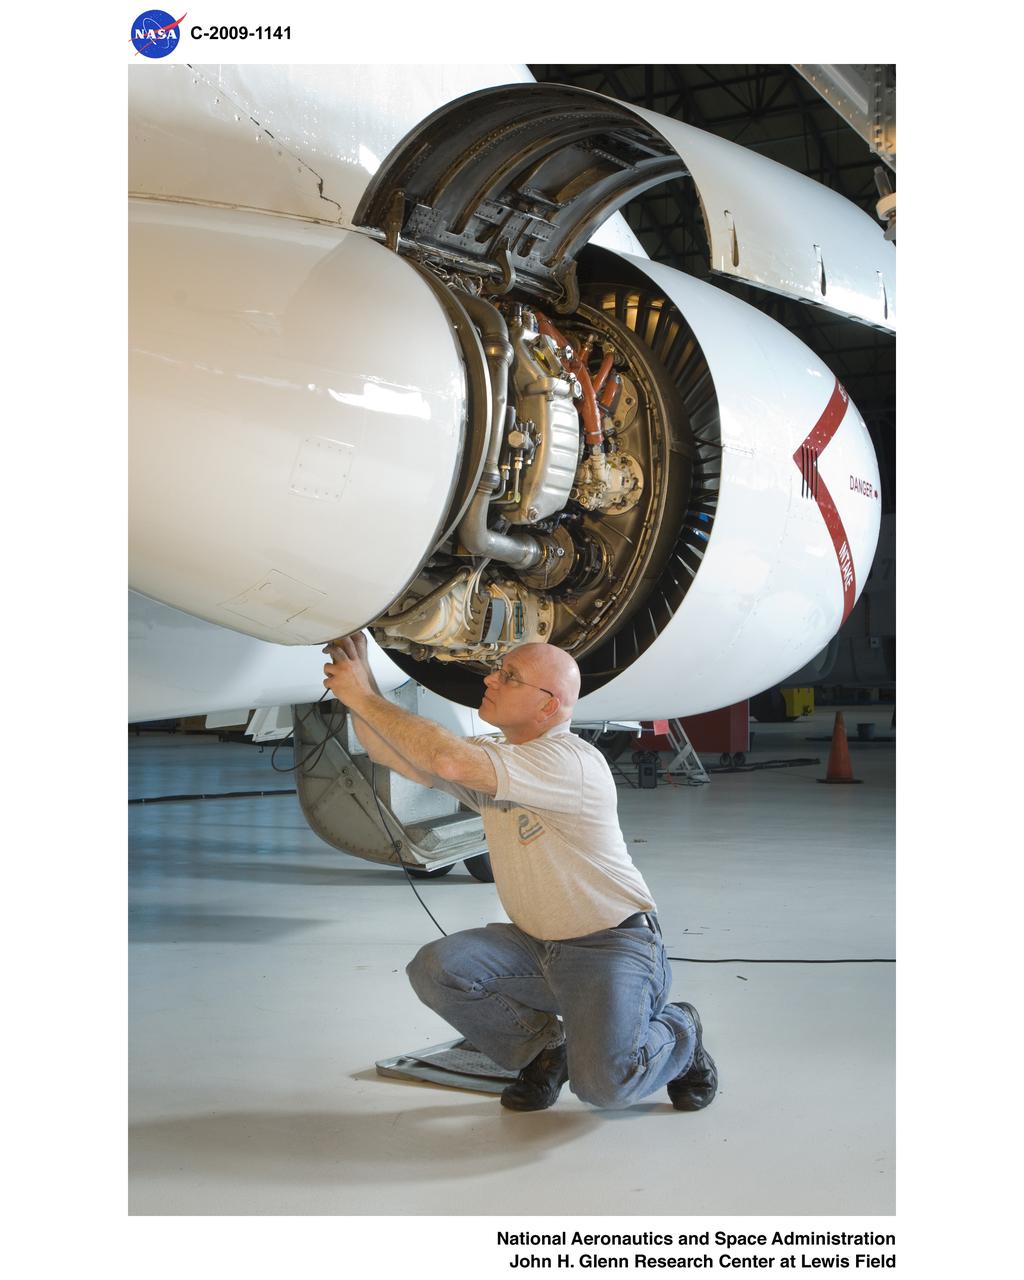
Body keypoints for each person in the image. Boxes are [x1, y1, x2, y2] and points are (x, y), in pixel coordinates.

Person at [322, 633, 717, 1113]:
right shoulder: (504, 758)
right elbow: (394, 753)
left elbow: (445, 757)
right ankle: (544, 1053)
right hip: (536, 946)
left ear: (548, 706)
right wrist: (364, 688)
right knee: (439, 969)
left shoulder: (567, 761)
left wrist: (362, 696)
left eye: (509, 676)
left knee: (605, 1086)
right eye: (499, 670)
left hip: (610, 948)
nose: (491, 678)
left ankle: (681, 1031)